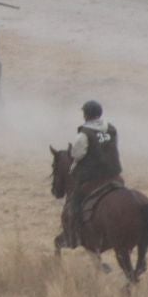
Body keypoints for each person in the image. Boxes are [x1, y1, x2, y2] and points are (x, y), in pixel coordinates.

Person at [61, 100, 123, 249]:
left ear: (86, 115)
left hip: (93, 177)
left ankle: (73, 233)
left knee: (74, 204)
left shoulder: (84, 134)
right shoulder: (111, 129)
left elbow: (77, 154)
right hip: (114, 174)